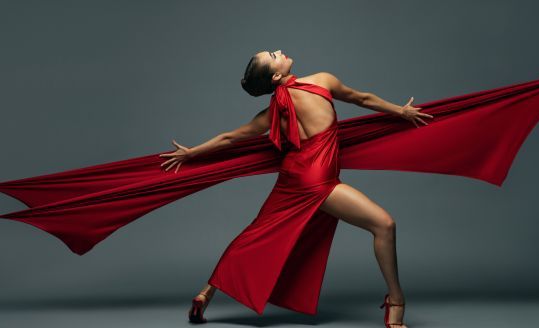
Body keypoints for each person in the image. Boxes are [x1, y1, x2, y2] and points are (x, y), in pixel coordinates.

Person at [160, 50, 432, 327]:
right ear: (277, 74)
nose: (279, 51)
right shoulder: (323, 81)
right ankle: (396, 302)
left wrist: (192, 153)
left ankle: (205, 295)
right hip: (318, 181)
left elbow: (230, 137)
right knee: (384, 225)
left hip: (291, 178)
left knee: (255, 233)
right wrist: (401, 111)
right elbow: (362, 98)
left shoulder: (272, 112)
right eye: (273, 55)